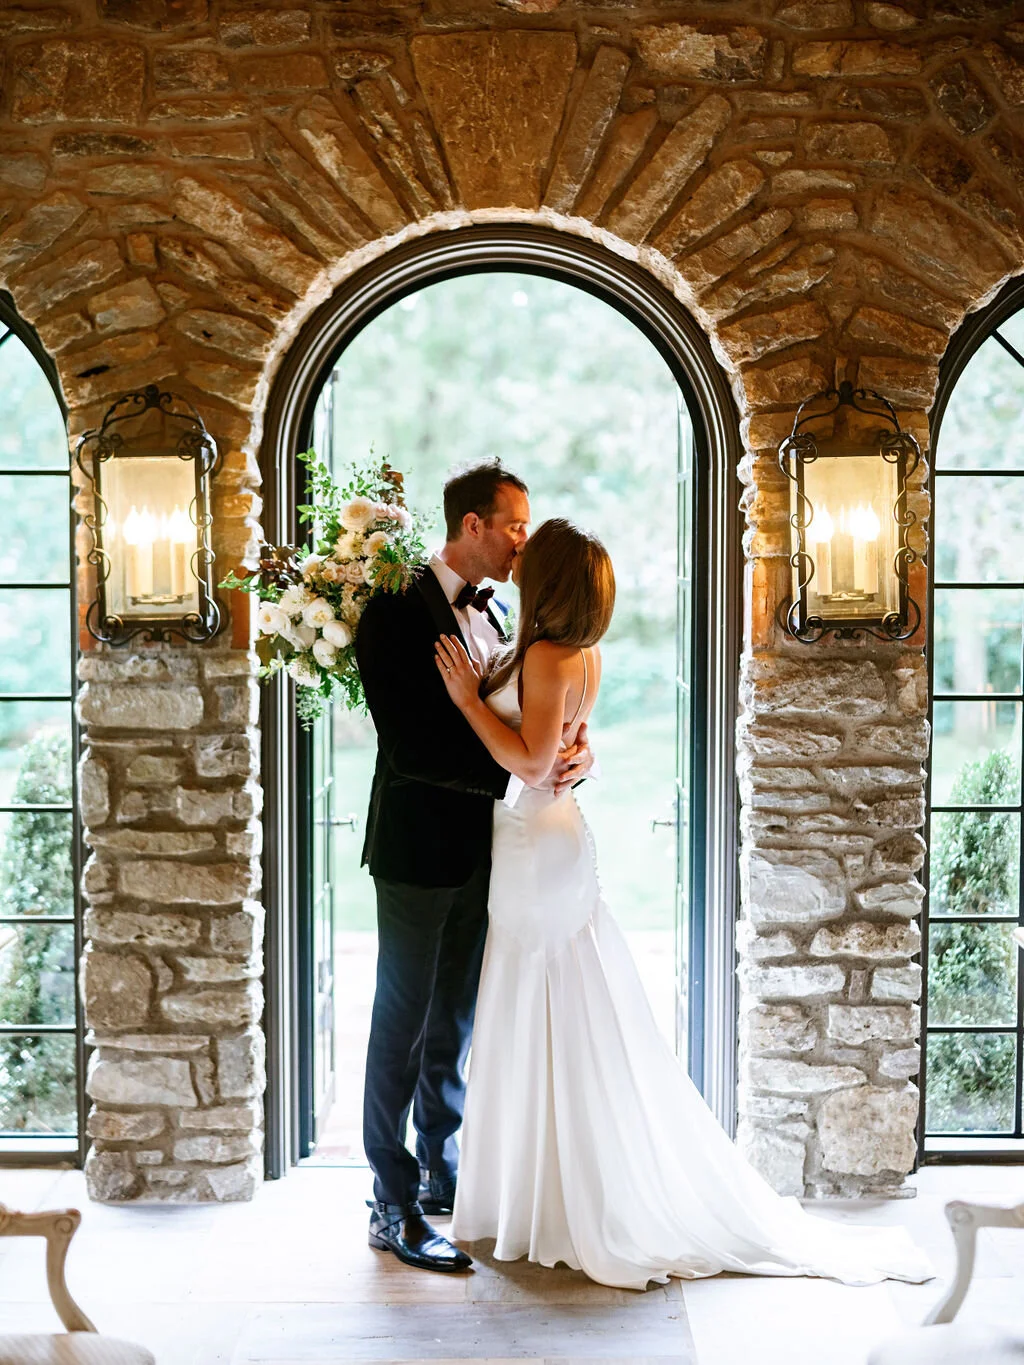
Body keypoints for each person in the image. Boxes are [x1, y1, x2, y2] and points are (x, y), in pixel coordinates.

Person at [434, 517, 933, 1292]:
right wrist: (573, 750)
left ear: (553, 579)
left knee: (546, 1009)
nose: (519, 555)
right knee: (558, 1012)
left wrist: (468, 699)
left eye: (535, 553)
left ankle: (553, 1198)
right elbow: (564, 747)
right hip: (554, 839)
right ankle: (548, 1191)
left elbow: (533, 762)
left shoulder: (541, 654)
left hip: (536, 843)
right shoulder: (577, 652)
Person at [355, 463, 593, 1274]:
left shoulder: (495, 612)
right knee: (403, 1017)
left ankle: (436, 1164)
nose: (524, 539)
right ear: (471, 525)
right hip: (417, 849)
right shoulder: (392, 609)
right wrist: (526, 772)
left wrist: (562, 758)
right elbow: (410, 744)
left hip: (487, 850)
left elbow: (529, 721)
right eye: (514, 525)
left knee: (452, 1015)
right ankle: (390, 1199)